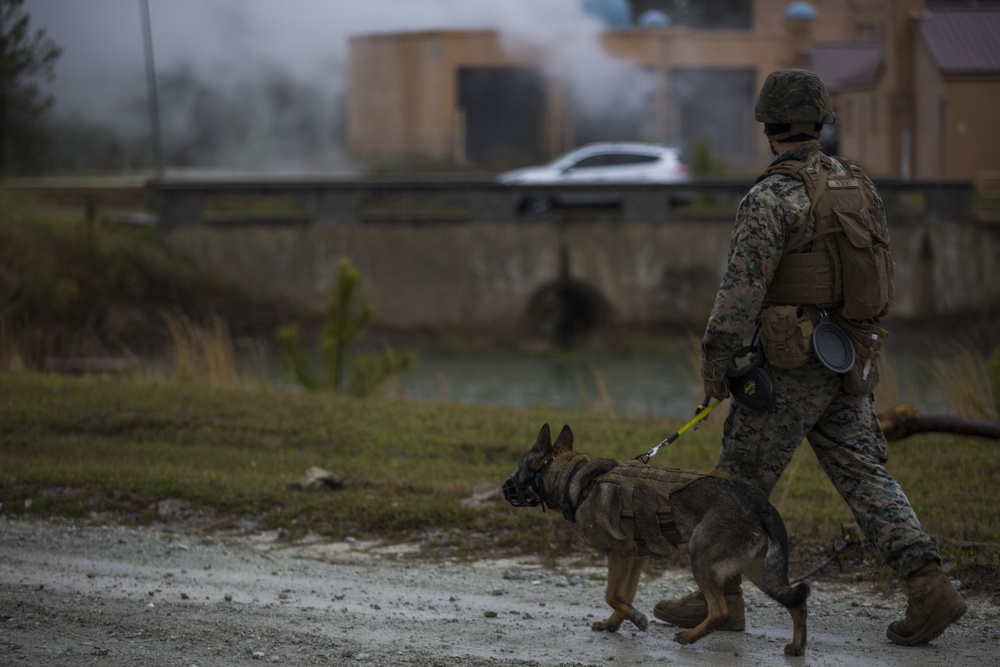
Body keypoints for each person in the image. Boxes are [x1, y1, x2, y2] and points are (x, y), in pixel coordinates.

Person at [653, 69, 967, 646]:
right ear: (820, 122)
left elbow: (739, 294)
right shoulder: (859, 186)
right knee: (867, 476)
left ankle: (717, 597)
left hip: (787, 367)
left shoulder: (770, 196)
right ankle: (929, 586)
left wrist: (717, 368)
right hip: (847, 358)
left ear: (768, 126)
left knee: (737, 487)